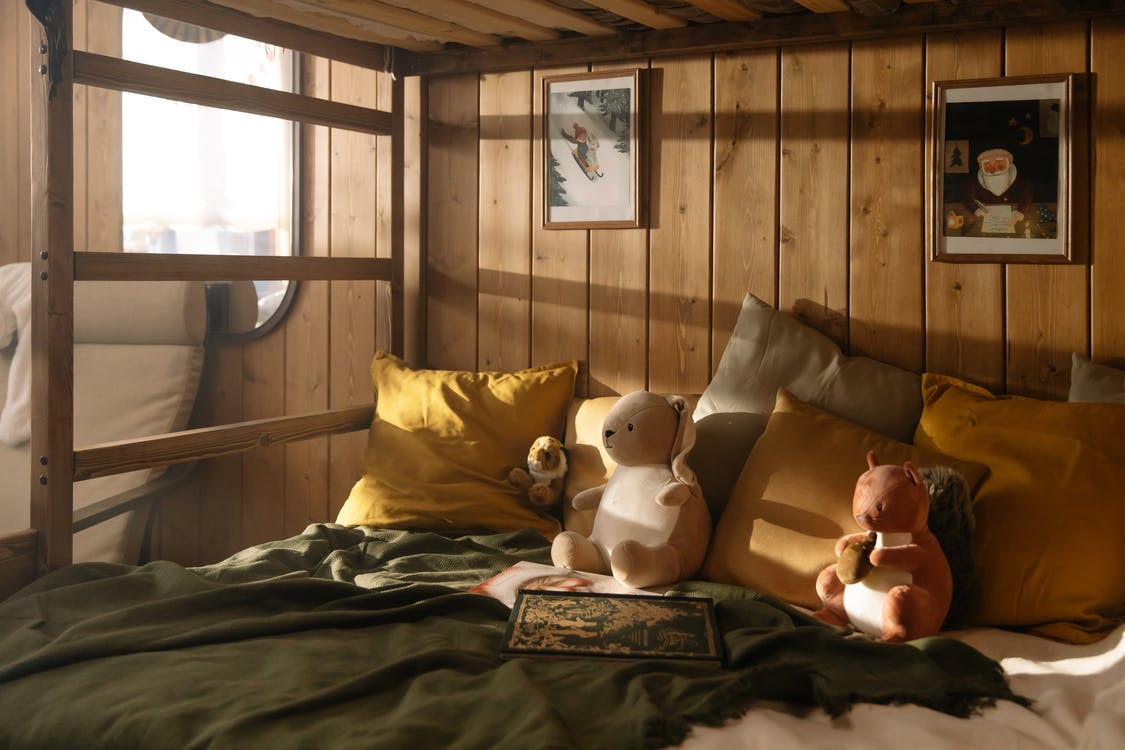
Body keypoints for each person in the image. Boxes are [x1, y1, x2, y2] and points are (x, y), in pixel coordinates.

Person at [964, 147, 1034, 233]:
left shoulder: (1019, 180)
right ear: (981, 167)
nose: (993, 170)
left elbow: (1026, 195)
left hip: (1012, 222)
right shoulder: (975, 181)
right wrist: (975, 209)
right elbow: (967, 197)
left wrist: (1020, 211)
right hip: (986, 221)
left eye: (1000, 163)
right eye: (987, 164)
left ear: (1009, 164)